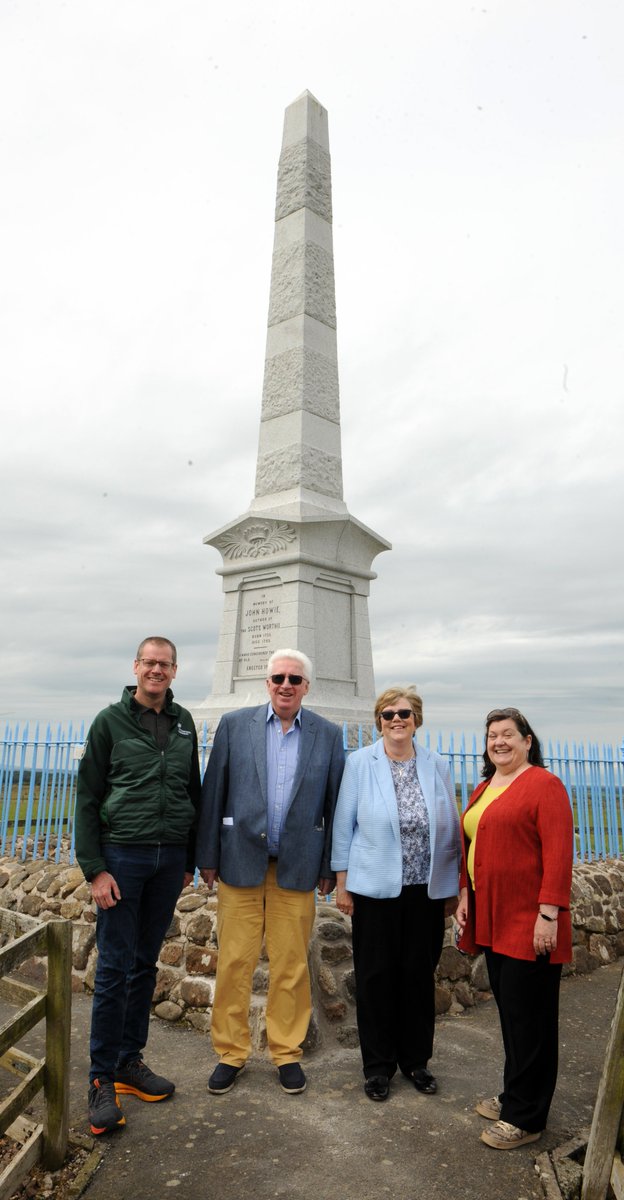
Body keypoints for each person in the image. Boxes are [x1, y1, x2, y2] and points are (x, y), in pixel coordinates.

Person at [196, 649, 345, 1096]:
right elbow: (213, 791)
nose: (285, 685)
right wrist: (207, 856)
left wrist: (327, 867)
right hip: (239, 863)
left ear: (306, 687)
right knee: (235, 962)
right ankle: (231, 1052)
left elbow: (333, 805)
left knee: (291, 966)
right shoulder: (234, 726)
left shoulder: (328, 734)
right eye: (278, 677)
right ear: (267, 683)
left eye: (294, 679)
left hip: (297, 869)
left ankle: (286, 1053)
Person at [75, 637, 201, 1136]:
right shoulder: (109, 721)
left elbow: (193, 788)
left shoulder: (185, 721)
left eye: (164, 664)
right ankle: (101, 1080)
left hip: (169, 858)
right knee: (113, 968)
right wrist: (94, 868)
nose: (156, 670)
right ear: (136, 667)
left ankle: (130, 1062)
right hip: (122, 857)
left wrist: (189, 857)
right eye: (148, 663)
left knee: (145, 964)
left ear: (174, 670)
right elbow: (88, 796)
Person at [331, 686, 461, 1102]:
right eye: (388, 714)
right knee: (375, 978)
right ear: (379, 721)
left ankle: (416, 1062)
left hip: (425, 889)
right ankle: (378, 1067)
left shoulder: (437, 764)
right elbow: (343, 825)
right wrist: (342, 882)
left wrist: (453, 884)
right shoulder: (359, 763)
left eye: (404, 713)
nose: (396, 720)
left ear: (417, 719)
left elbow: (452, 826)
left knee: (418, 977)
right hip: (373, 890)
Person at [455, 707, 573, 1150]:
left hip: (529, 921)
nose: (499, 741)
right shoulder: (485, 787)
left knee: (532, 1021)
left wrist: (548, 915)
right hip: (492, 917)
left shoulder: (545, 785)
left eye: (508, 734)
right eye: (492, 735)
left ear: (527, 741)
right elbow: (473, 845)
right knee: (512, 1017)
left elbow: (559, 854)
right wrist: (466, 894)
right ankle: (514, 1095)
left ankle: (527, 1116)